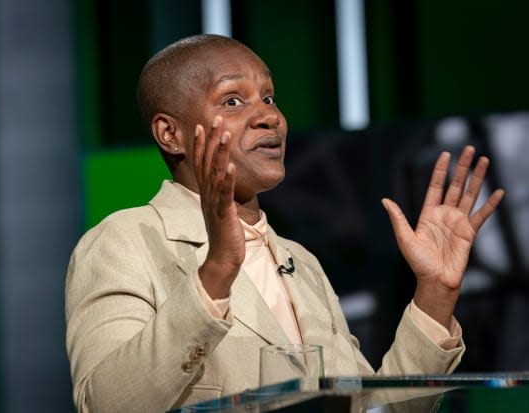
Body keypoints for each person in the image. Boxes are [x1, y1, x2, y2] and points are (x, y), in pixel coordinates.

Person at [64, 34, 504, 413]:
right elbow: (107, 403)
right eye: (233, 100)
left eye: (269, 98)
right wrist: (214, 274)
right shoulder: (125, 241)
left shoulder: (301, 261)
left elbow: (373, 408)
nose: (268, 116)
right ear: (171, 134)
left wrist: (435, 293)